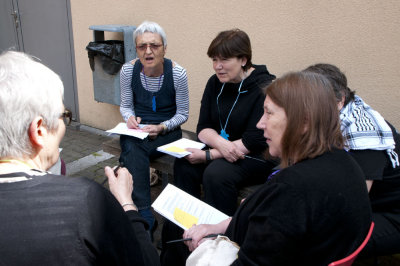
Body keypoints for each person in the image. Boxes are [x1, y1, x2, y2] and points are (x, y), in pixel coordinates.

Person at [161, 71, 372, 265]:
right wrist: (216, 228)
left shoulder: (291, 190)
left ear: (304, 122)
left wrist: (207, 246)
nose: (260, 124)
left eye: (268, 113)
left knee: (179, 243)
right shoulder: (346, 164)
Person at [0, 51, 160, 265]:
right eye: (63, 116)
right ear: (39, 131)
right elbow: (146, 261)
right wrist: (126, 202)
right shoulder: (86, 201)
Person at [173, 29, 278, 217]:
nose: (217, 66)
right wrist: (221, 145)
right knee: (184, 165)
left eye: (224, 60)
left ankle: (218, 237)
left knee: (216, 174)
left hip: (257, 155)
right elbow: (202, 128)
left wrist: (207, 155)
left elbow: (254, 140)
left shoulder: (264, 86)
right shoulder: (214, 83)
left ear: (243, 60)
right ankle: (183, 232)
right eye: (214, 60)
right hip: (225, 149)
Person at [304, 63, 400, 258]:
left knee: (322, 240)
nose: (305, 107)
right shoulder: (334, 116)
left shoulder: (364, 134)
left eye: (313, 100)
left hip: (390, 214)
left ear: (339, 100)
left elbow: (354, 202)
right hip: (369, 204)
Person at [119, 21, 189, 234]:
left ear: (164, 48)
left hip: (167, 131)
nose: (148, 51)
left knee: (130, 151)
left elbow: (183, 114)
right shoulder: (127, 71)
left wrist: (161, 127)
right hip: (138, 130)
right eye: (142, 46)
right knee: (132, 143)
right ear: (136, 49)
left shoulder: (178, 74)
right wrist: (130, 119)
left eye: (154, 46)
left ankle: (141, 216)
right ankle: (145, 215)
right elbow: (126, 106)